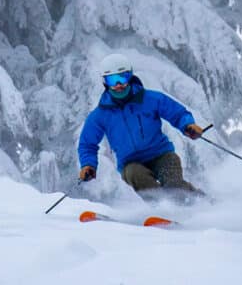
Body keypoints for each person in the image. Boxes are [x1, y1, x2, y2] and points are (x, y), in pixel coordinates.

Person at [78, 53, 204, 200]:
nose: (118, 84)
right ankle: (164, 210)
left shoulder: (150, 99)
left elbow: (177, 113)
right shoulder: (100, 114)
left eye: (123, 78)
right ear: (105, 82)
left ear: (130, 76)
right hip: (130, 163)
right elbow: (87, 144)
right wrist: (88, 165)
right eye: (112, 80)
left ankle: (200, 202)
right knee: (137, 176)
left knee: (174, 186)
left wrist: (188, 125)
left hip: (161, 154)